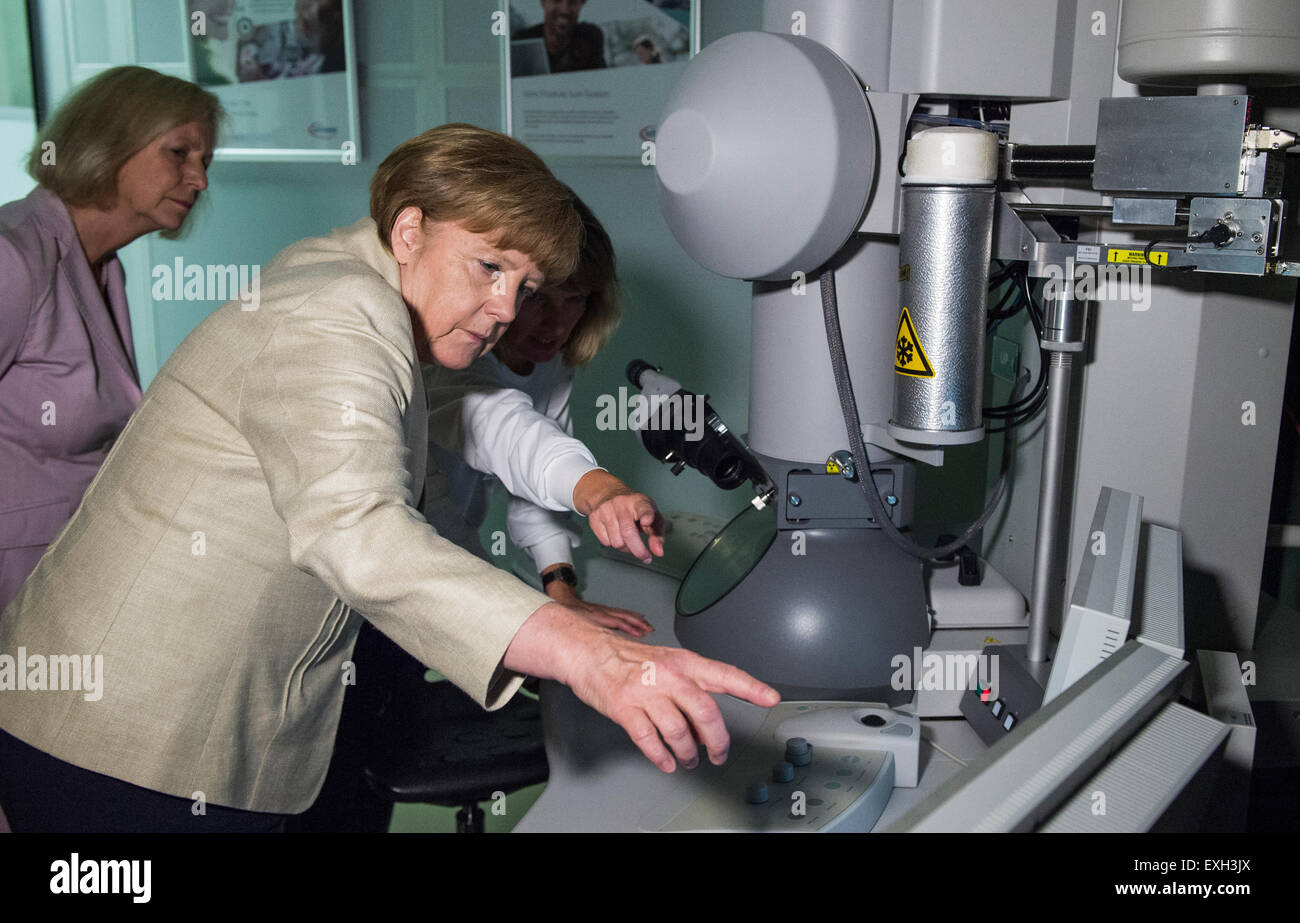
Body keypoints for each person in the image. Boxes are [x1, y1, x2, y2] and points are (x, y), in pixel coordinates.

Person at [0, 123, 778, 833]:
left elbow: (478, 433)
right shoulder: (338, 313)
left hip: (159, 736)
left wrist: (570, 553)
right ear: (410, 229)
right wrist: (583, 651)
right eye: (490, 266)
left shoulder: (372, 298)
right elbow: (360, 532)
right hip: (119, 748)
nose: (506, 306)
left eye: (526, 286)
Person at [0, 65, 219, 616]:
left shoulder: (102, 268)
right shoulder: (14, 256)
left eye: (205, 160)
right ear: (109, 141)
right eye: (179, 153)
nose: (200, 179)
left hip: (63, 587)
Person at [421, 195, 653, 635]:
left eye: (575, 300)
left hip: (443, 561)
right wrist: (600, 490)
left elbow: (534, 493)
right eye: (536, 298)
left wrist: (562, 591)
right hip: (384, 567)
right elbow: (506, 434)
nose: (556, 323)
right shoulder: (455, 354)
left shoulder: (551, 365)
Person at [514, 0, 606, 73]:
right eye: (556, 0)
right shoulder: (522, 40)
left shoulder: (590, 37)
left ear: (581, 5)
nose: (564, 10)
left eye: (572, 2)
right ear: (543, 2)